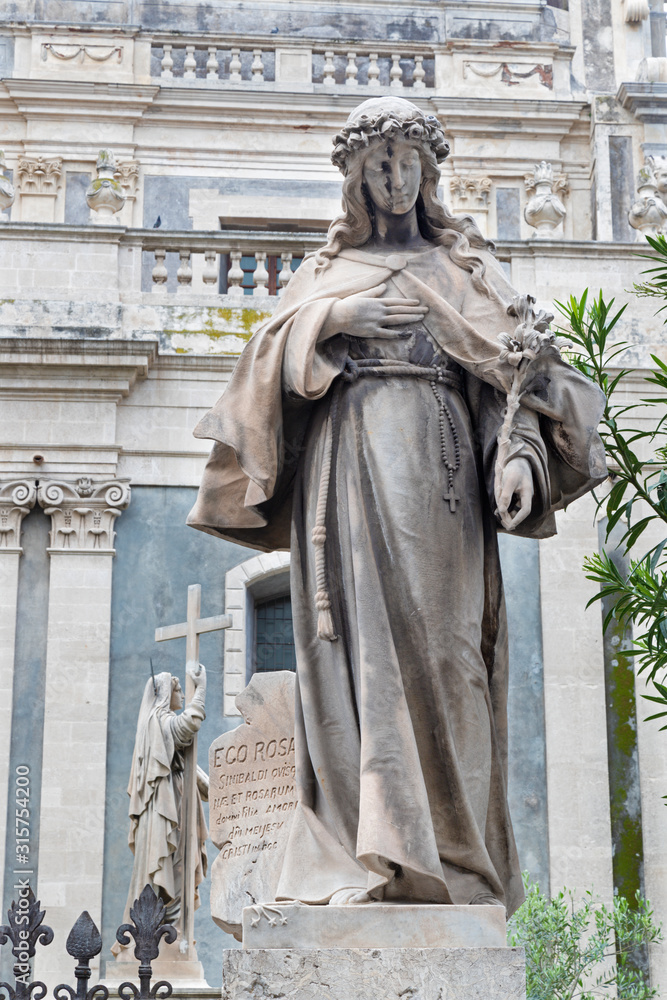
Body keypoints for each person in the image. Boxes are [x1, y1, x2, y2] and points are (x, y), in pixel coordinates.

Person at [187, 97, 606, 916]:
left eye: (406, 161)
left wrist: (517, 455)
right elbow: (256, 375)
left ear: (428, 174)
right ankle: (364, 853)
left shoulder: (466, 271)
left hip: (443, 488)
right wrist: (332, 320)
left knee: (449, 662)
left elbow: (516, 382)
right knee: (358, 665)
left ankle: (452, 863)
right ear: (353, 178)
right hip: (346, 484)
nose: (392, 175)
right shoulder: (320, 279)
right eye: (376, 162)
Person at [111, 665, 208, 956]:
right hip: (164, 815)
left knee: (176, 869)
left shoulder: (156, 726)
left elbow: (187, 765)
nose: (182, 694)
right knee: (169, 868)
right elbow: (186, 726)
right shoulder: (157, 721)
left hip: (171, 806)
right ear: (165, 693)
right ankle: (162, 935)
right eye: (179, 690)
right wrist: (201, 690)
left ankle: (172, 932)